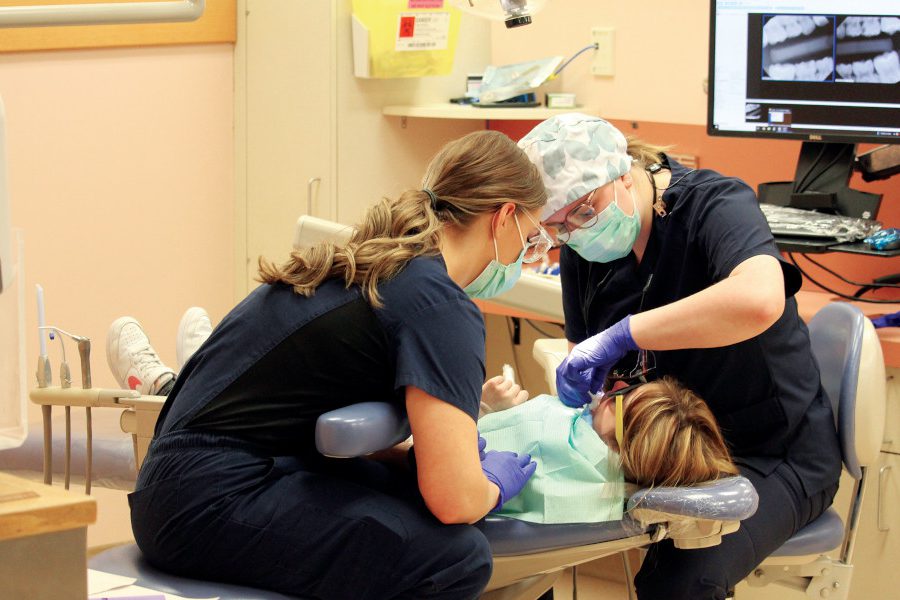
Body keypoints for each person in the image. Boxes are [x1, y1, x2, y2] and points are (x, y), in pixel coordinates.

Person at [119, 130, 553, 599]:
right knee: (455, 557)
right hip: (208, 501)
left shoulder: (380, 265)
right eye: (530, 238)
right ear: (505, 217)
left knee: (410, 499)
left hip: (184, 486)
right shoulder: (439, 304)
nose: (527, 256)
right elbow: (456, 500)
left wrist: (410, 462)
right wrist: (490, 483)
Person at [518, 113, 842, 599]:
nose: (575, 233)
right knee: (524, 535)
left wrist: (626, 334)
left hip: (770, 454)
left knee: (681, 583)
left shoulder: (715, 205)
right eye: (557, 227)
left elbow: (759, 299)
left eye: (584, 212)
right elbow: (593, 371)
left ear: (622, 172)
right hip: (666, 454)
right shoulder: (583, 252)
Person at [479, 375, 739, 525]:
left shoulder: (563, 445)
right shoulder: (605, 491)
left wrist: (478, 413)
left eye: (621, 394)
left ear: (621, 442)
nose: (612, 389)